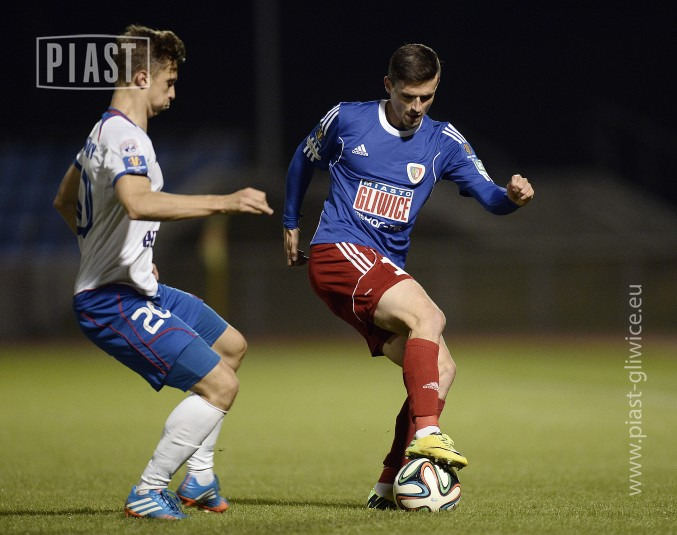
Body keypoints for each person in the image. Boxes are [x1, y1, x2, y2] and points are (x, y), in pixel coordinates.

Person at [283, 43, 534, 510]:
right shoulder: (348, 119)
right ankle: (428, 435)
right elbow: (303, 157)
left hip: (382, 269)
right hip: (339, 252)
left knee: (442, 369)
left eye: (427, 97)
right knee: (429, 317)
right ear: (389, 86)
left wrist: (512, 198)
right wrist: (290, 221)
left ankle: (386, 486)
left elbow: (490, 196)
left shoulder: (444, 142)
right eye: (408, 96)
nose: (417, 107)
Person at [53, 25, 273, 520]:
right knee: (221, 386)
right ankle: (149, 489)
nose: (172, 94)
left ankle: (199, 478)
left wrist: (116, 250)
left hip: (135, 286)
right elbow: (137, 202)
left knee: (231, 347)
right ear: (140, 77)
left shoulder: (100, 133)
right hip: (110, 299)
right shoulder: (126, 137)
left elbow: (65, 200)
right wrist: (225, 201)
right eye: (169, 82)